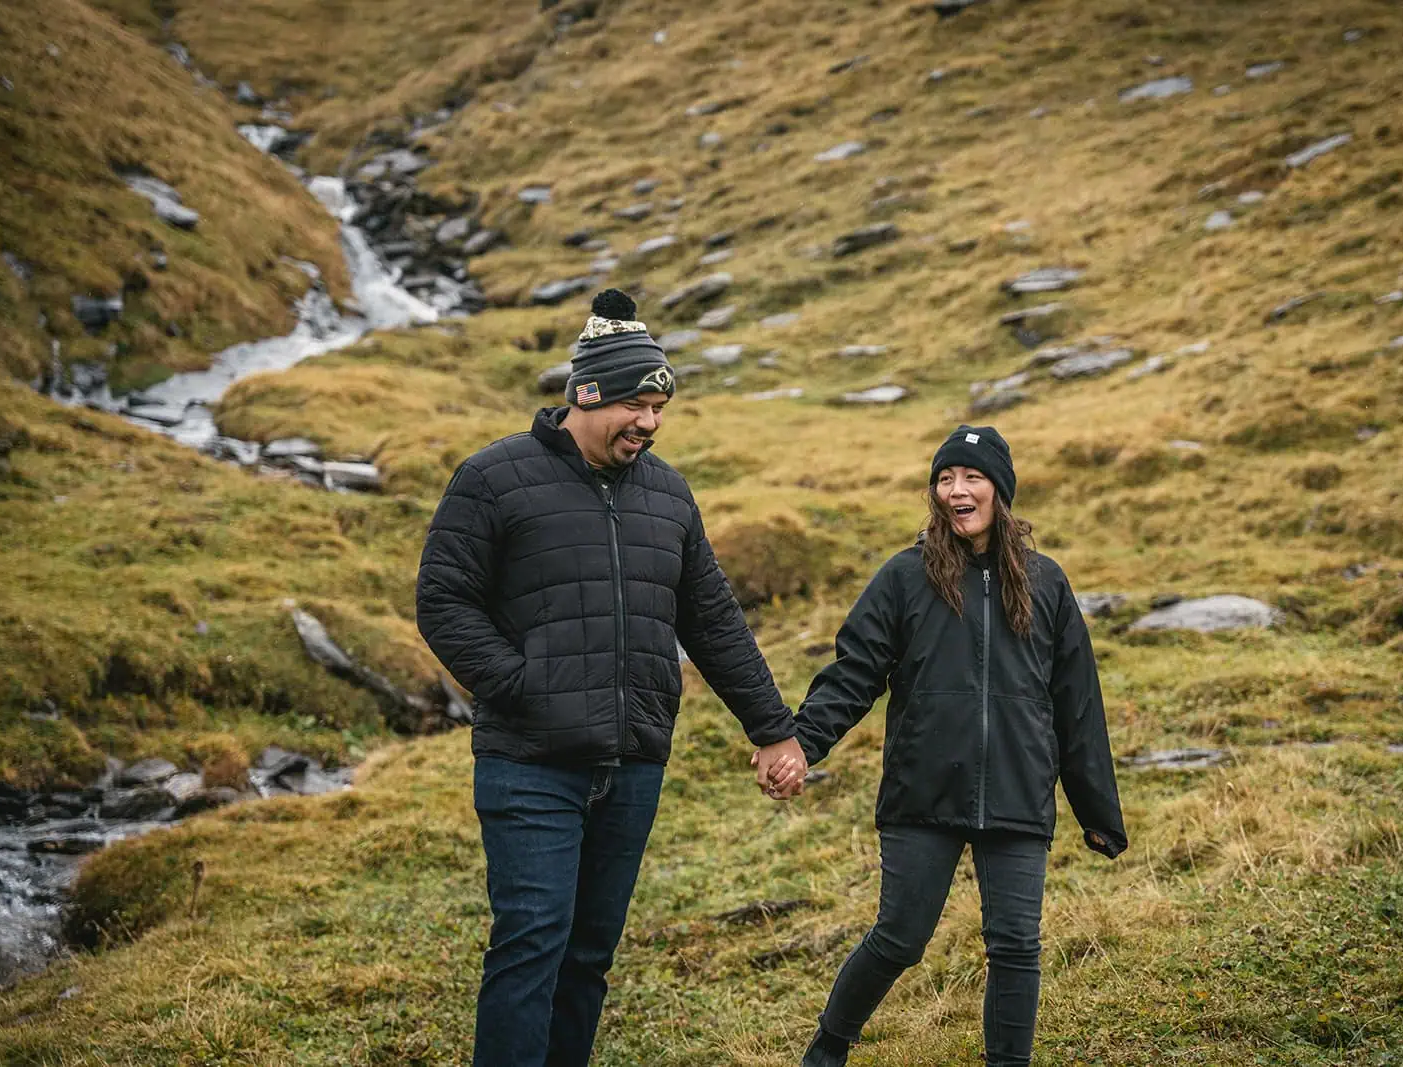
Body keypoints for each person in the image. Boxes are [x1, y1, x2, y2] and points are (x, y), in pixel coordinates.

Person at [415, 288, 807, 1067]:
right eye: (636, 402)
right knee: (531, 944)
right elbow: (442, 600)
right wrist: (521, 684)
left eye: (659, 406)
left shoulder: (668, 493)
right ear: (586, 395)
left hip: (631, 763)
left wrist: (772, 728)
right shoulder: (494, 478)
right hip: (529, 762)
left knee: (588, 954)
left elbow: (712, 619)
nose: (649, 422)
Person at [767, 424, 1128, 1067]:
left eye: (971, 477)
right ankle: (828, 1048)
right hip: (924, 787)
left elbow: (1078, 704)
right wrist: (802, 743)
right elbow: (853, 673)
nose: (956, 490)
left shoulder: (1045, 584)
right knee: (901, 937)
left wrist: (1097, 813)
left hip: (1017, 790)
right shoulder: (906, 578)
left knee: (1016, 944)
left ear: (1000, 491)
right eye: (944, 478)